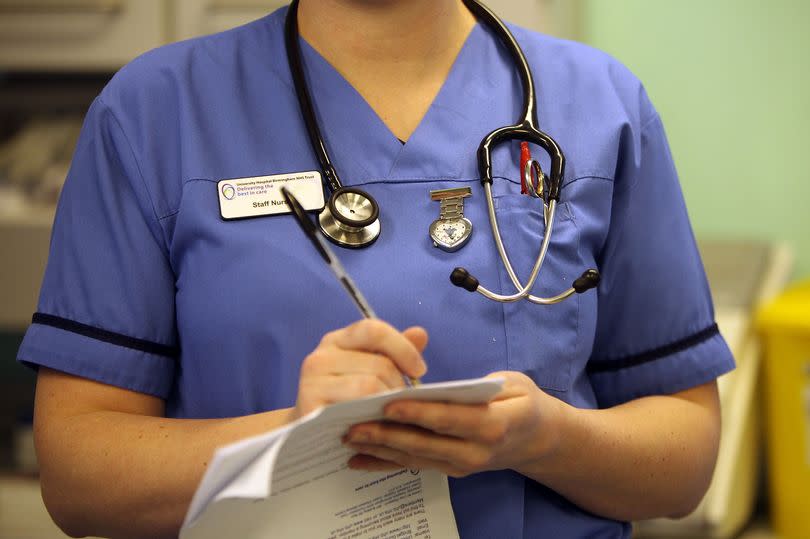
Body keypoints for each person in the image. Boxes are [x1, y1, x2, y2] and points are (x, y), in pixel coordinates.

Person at [17, 1, 735, 538]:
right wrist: (293, 437)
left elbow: (686, 459)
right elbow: (80, 476)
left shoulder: (602, 107)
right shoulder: (153, 113)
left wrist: (547, 437)